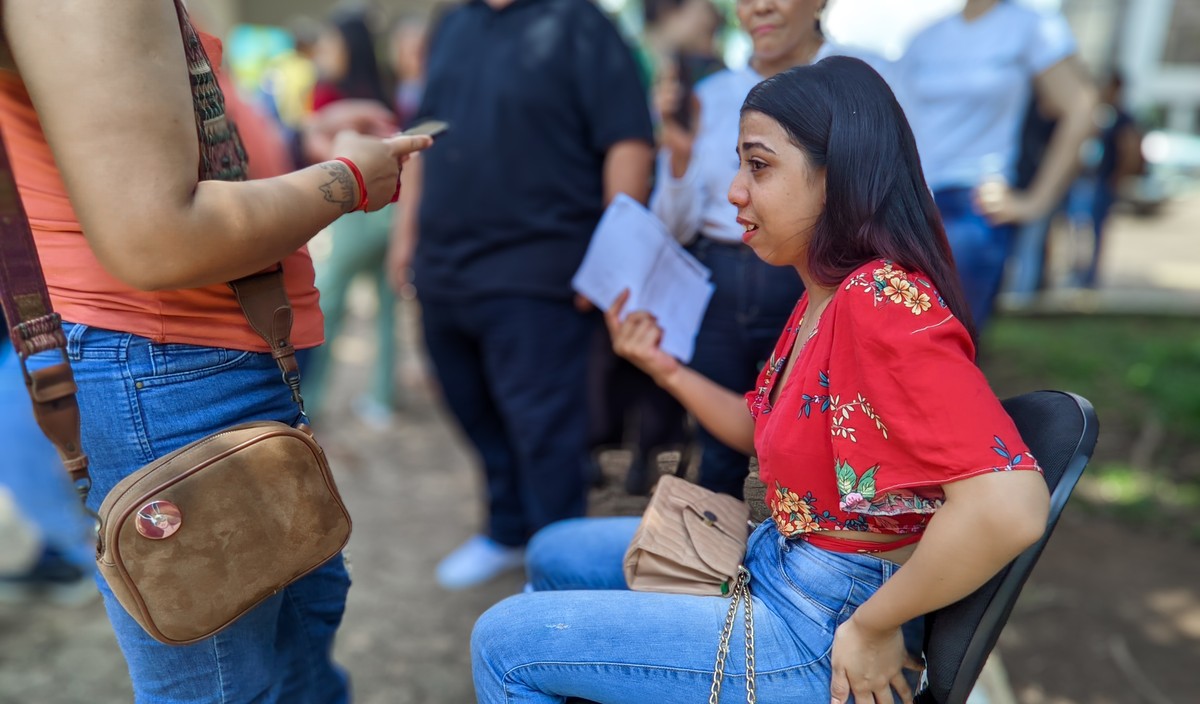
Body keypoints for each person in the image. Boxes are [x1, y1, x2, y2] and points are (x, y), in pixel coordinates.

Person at [470, 57, 1051, 704]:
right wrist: (662, 366)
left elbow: (1009, 506)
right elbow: (763, 428)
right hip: (783, 567)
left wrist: (874, 624)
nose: (734, 191)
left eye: (759, 165)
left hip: (821, 627)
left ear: (838, 177)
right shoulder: (825, 296)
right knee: (555, 551)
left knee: (505, 644)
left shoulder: (881, 302)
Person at [0, 1, 431, 701]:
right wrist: (347, 181)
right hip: (170, 374)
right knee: (227, 686)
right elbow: (157, 238)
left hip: (194, 372)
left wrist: (290, 146)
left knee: (297, 658)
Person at [389, 0, 654, 590]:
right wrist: (404, 235)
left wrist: (618, 254)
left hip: (538, 268)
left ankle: (555, 561)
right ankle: (508, 529)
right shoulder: (454, 23)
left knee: (545, 430)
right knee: (468, 405)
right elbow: (424, 136)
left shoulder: (581, 24)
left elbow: (629, 142)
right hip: (445, 265)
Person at [651, 0, 892, 499]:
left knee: (821, 432)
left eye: (758, 165)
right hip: (719, 273)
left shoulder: (863, 80)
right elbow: (676, 222)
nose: (758, 6)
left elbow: (900, 187)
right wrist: (676, 161)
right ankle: (713, 567)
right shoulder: (712, 95)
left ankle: (816, 556)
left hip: (816, 271)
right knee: (719, 445)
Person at [895, 0, 1097, 332]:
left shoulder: (1030, 26)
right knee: (893, 341)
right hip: (910, 205)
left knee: (945, 344)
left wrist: (1036, 202)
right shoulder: (925, 37)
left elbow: (1081, 108)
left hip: (971, 205)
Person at [303, 9, 406, 426]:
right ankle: (382, 397)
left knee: (326, 305)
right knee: (386, 308)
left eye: (331, 42)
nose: (325, 50)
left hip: (353, 210)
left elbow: (316, 153)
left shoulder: (327, 93)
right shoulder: (385, 89)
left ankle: (309, 397)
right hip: (390, 209)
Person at [1065, 70, 1143, 288]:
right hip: (1085, 179)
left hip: (1102, 181)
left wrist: (1119, 177)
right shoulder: (1098, 113)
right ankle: (1077, 270)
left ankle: (1088, 276)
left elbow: (1130, 149)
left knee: (1095, 230)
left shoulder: (1122, 117)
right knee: (1076, 227)